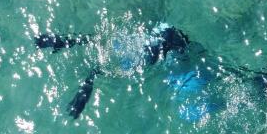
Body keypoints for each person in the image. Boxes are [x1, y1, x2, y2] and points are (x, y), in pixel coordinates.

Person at [35, 17, 191, 118]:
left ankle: (62, 42)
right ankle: (84, 85)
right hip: (139, 57)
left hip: (131, 43)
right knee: (98, 68)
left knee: (96, 41)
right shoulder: (171, 50)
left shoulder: (163, 28)